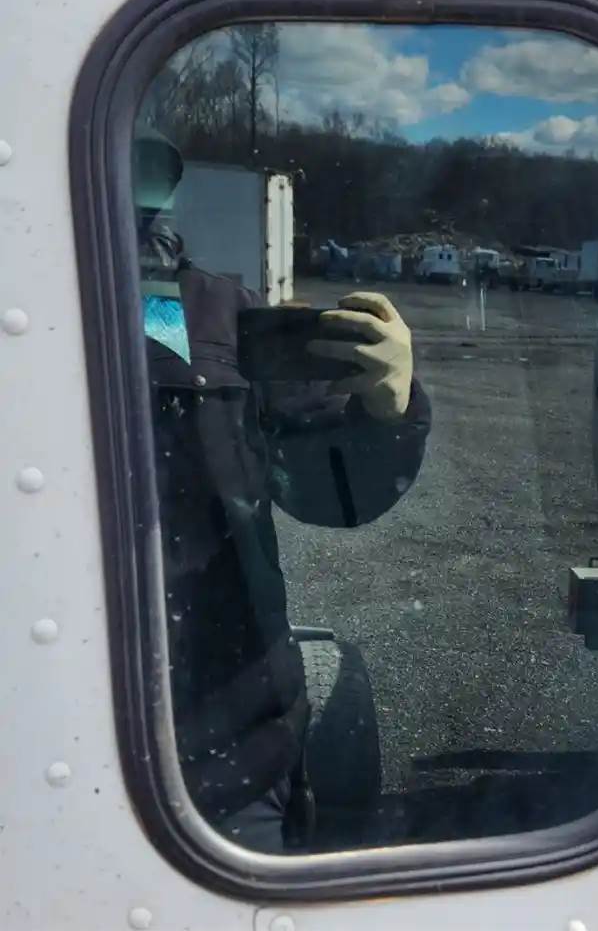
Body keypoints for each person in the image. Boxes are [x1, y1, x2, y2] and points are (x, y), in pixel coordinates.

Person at [133, 127, 431, 852]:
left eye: (143, 175)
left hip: (224, 756)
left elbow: (330, 494)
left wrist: (385, 411)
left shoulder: (208, 311)